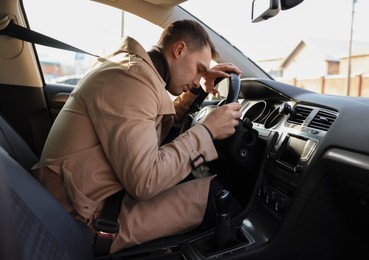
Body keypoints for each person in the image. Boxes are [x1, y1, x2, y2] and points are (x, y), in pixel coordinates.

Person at [33, 19, 242, 253]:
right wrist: (207, 131)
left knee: (188, 178)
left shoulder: (134, 72)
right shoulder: (131, 80)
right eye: (199, 69)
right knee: (219, 201)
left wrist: (195, 91)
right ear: (179, 50)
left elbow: (150, 127)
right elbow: (146, 182)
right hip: (82, 217)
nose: (198, 78)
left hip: (83, 200)